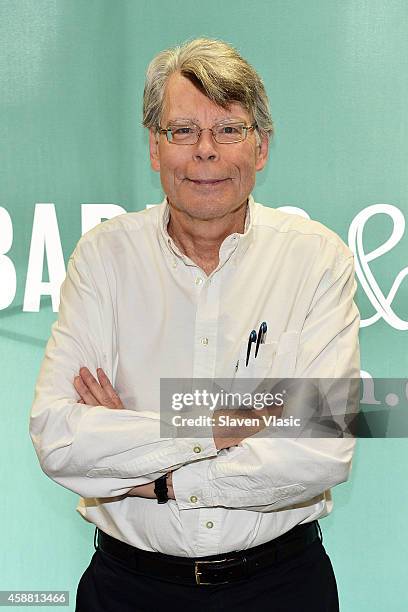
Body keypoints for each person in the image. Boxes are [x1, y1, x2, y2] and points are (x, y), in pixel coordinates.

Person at [29, 38, 360, 611]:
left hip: (282, 588)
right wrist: (220, 424)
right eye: (182, 131)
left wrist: (158, 475)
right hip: (127, 589)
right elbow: (59, 438)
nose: (205, 151)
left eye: (229, 129)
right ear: (155, 149)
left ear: (261, 148)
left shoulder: (317, 260)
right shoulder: (102, 257)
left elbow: (323, 452)